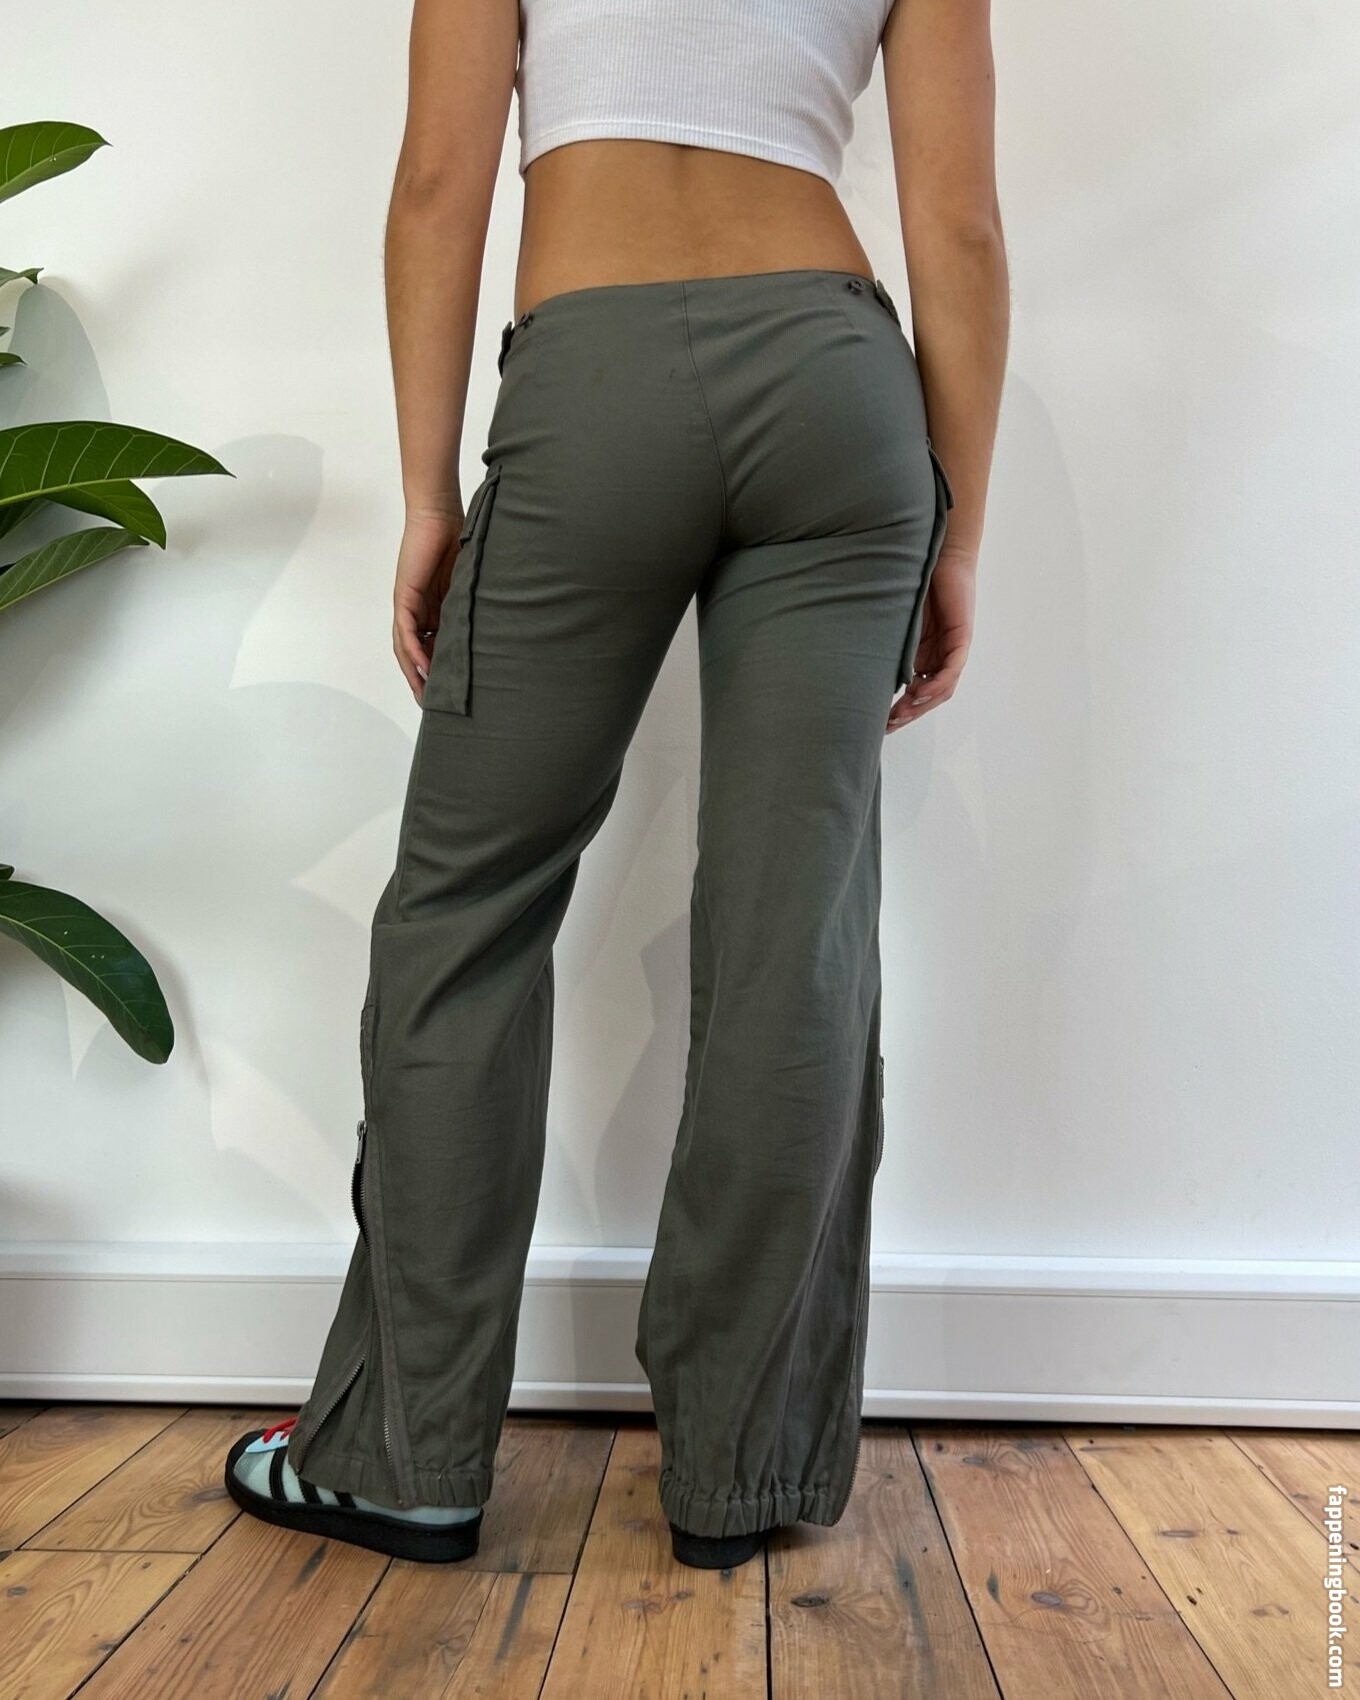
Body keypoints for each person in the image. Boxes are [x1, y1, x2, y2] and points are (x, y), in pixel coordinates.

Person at [224, 0, 1008, 1572]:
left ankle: (405, 1459)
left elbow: (439, 183)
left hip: (595, 378)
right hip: (840, 386)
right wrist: (959, 530)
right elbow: (961, 227)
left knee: (465, 912)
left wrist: (428, 492)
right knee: (794, 938)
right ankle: (745, 1472)